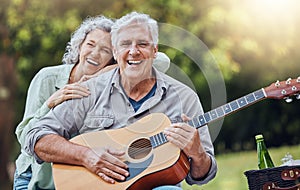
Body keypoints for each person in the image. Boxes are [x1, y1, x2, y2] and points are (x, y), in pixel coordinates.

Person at [24, 11, 217, 189]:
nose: (133, 51)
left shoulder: (184, 97)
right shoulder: (90, 91)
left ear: (155, 50)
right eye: (125, 44)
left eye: (142, 44)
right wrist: (86, 156)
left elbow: (201, 175)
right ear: (116, 53)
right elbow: (36, 136)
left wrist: (198, 153)